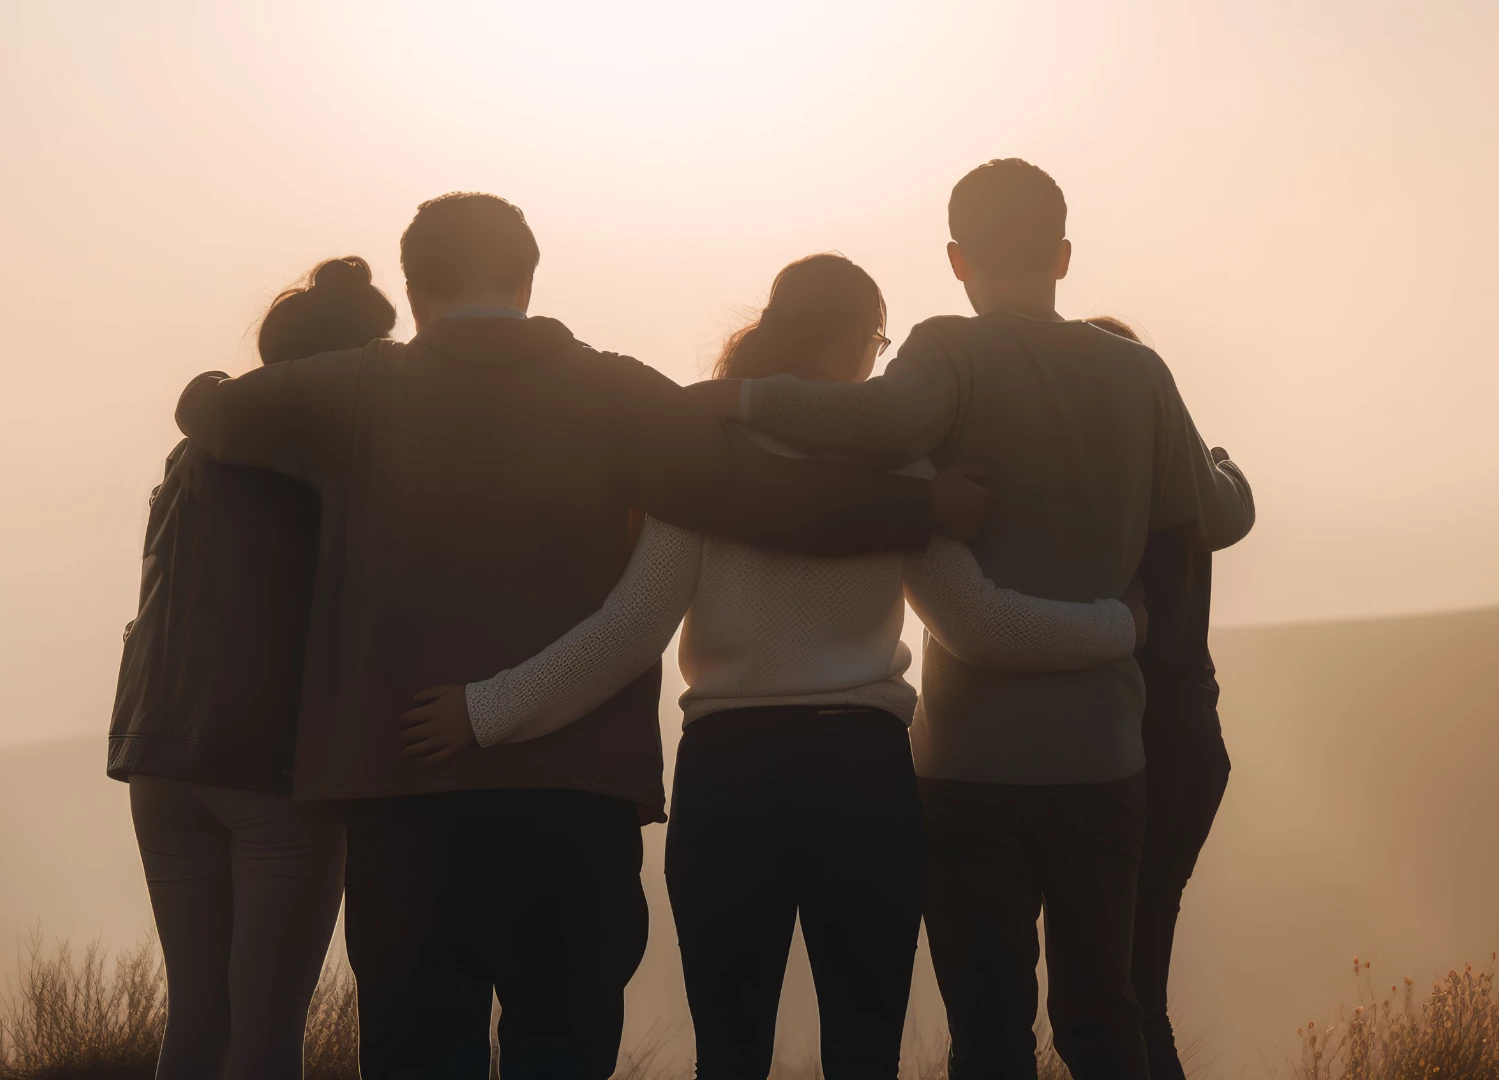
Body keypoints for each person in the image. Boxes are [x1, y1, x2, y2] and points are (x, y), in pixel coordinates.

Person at [171, 194, 993, 1080]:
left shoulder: (349, 388)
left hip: (404, 790)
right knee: (563, 1046)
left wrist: (215, 389)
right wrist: (920, 504)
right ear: (528, 278)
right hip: (578, 799)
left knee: (422, 1048)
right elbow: (757, 494)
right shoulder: (617, 392)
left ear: (414, 289)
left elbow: (207, 413)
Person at [414, 253, 1148, 1080]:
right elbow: (981, 625)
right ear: (849, 343)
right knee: (864, 1055)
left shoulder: (705, 465)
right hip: (864, 779)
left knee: (731, 1056)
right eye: (876, 339)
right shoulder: (904, 473)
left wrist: (485, 709)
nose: (877, 359)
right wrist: (1118, 624)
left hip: (732, 781)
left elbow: (627, 632)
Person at [691, 160, 1254, 1080]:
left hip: (968, 767)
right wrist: (1225, 466)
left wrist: (743, 396)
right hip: (1103, 759)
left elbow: (873, 423)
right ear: (1064, 255)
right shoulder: (1138, 373)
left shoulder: (948, 351)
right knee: (1104, 1017)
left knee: (989, 1034)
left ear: (956, 259)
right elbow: (1217, 516)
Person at [109, 256, 397, 1078]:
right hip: (272, 766)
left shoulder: (191, 457)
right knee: (268, 1027)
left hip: (159, 755)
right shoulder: (329, 456)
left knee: (197, 1015)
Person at [1084, 316, 1232, 1080]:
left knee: (1120, 999)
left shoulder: (1102, 496)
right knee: (1140, 986)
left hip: (1137, 746)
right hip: (1194, 741)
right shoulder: (1191, 486)